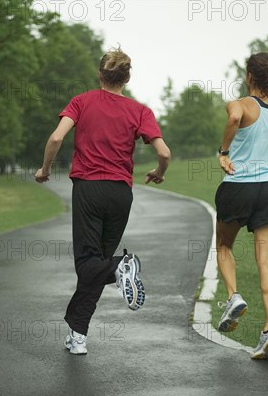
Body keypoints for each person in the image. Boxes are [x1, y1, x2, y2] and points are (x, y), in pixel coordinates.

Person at [35, 48, 171, 355]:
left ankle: (120, 266)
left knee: (87, 263)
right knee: (95, 264)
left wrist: (44, 171)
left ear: (100, 75)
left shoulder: (81, 102)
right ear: (127, 77)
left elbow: (56, 138)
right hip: (120, 194)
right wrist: (159, 173)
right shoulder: (140, 111)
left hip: (88, 189)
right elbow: (164, 153)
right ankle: (77, 335)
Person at [214, 52, 268, 359]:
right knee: (266, 261)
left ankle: (233, 296)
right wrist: (267, 155)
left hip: (239, 187)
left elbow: (235, 119)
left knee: (223, 247)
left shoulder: (238, 104)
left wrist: (224, 152)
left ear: (250, 76)